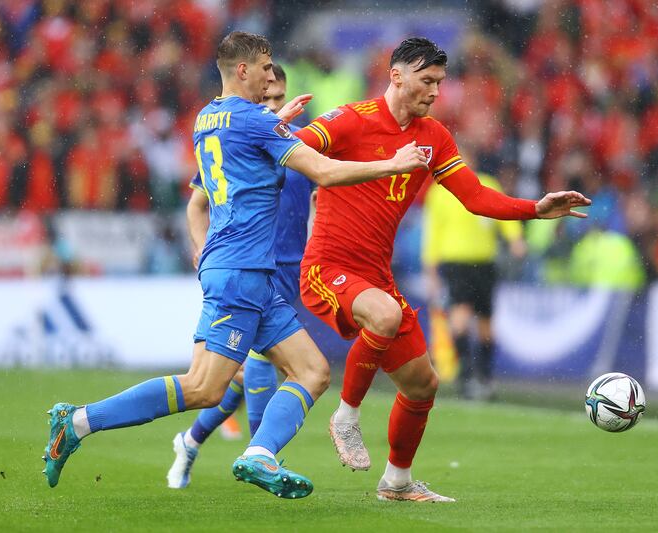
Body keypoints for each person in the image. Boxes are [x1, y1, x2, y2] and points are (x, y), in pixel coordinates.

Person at [41, 31, 429, 499]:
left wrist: (276, 125)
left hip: (245, 270)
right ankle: (80, 421)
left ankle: (258, 453)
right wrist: (393, 163)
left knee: (312, 371)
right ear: (243, 70)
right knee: (204, 387)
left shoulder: (208, 117)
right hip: (242, 271)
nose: (272, 74)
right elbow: (324, 172)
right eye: (266, 67)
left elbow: (231, 167)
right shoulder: (255, 122)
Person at [295, 37, 590, 502]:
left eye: (439, 83)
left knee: (422, 384)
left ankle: (396, 482)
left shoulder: (433, 137)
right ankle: (346, 416)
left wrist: (535, 208)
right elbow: (291, 150)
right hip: (327, 266)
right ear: (397, 76)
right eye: (426, 81)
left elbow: (476, 196)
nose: (435, 92)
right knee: (387, 316)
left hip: (377, 275)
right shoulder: (350, 120)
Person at [167, 64, 315, 489]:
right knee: (257, 366)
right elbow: (196, 205)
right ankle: (260, 457)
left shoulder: (296, 142)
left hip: (288, 266)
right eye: (266, 97)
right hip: (248, 267)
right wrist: (200, 247)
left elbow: (321, 197)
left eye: (278, 98)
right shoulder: (240, 140)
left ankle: (191, 441)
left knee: (232, 377)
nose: (272, 104)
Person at [422, 160, 527, 400]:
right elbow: (433, 232)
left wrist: (515, 238)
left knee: (486, 325)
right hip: (456, 262)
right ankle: (468, 377)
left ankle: (484, 377)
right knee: (460, 316)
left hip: (484, 263)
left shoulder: (486, 184)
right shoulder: (440, 192)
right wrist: (431, 269)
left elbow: (504, 212)